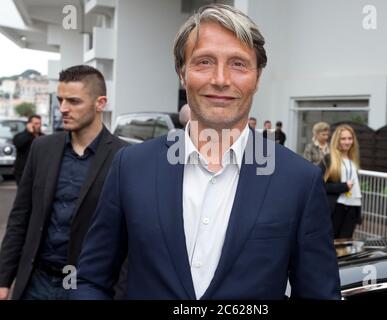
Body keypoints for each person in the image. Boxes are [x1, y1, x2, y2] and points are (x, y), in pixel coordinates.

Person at [72, 4, 340, 300]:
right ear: (182, 73)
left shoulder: (299, 180)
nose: (221, 79)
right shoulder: (131, 167)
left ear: (258, 76)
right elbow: (91, 281)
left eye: (238, 63)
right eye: (204, 62)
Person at [0, 65, 128, 300]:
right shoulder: (42, 148)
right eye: (60, 100)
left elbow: (131, 237)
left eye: (74, 101)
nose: (63, 108)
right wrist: (3, 279)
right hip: (36, 283)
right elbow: (21, 217)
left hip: (90, 288)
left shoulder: (125, 157)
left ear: (100, 103)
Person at [319, 124, 362, 239]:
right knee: (332, 244)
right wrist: (343, 187)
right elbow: (320, 185)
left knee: (345, 245)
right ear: (337, 140)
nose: (347, 142)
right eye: (343, 138)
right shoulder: (329, 159)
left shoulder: (354, 159)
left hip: (352, 207)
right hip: (336, 207)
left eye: (350, 138)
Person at [12, 115, 44, 185]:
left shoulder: (43, 137)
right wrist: (30, 133)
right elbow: (18, 144)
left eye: (39, 123)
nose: (38, 126)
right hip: (23, 172)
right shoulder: (20, 136)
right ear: (29, 124)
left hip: (38, 171)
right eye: (36, 123)